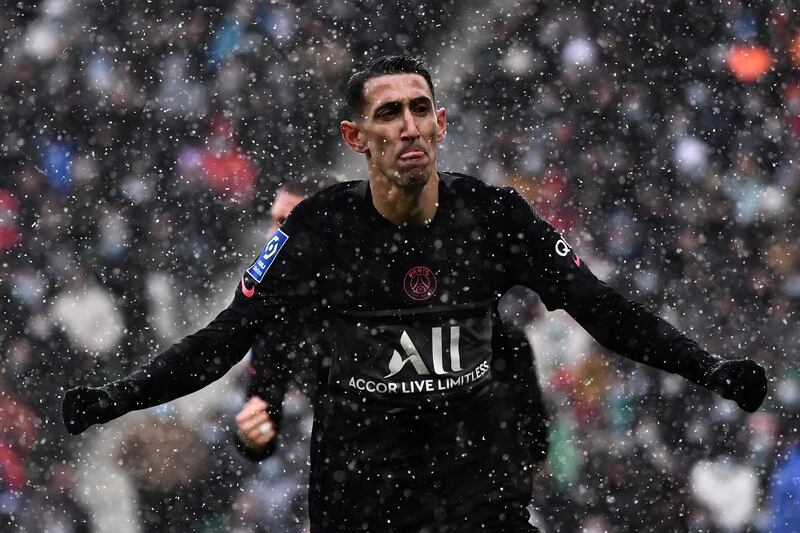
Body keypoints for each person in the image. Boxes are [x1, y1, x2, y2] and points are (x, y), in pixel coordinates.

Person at [63, 55, 768, 531]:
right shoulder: (316, 232)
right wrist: (118, 399)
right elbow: (223, 337)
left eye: (419, 108)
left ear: (440, 123)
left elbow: (603, 308)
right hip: (362, 497)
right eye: (390, 113)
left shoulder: (493, 217)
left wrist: (706, 367)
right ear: (355, 137)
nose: (408, 125)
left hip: (475, 490)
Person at [233, 180, 550, 530]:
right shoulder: (282, 321)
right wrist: (252, 434)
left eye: (286, 223)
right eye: (275, 221)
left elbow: (509, 348)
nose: (272, 237)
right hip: (369, 492)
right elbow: (262, 411)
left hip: (461, 487)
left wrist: (521, 457)